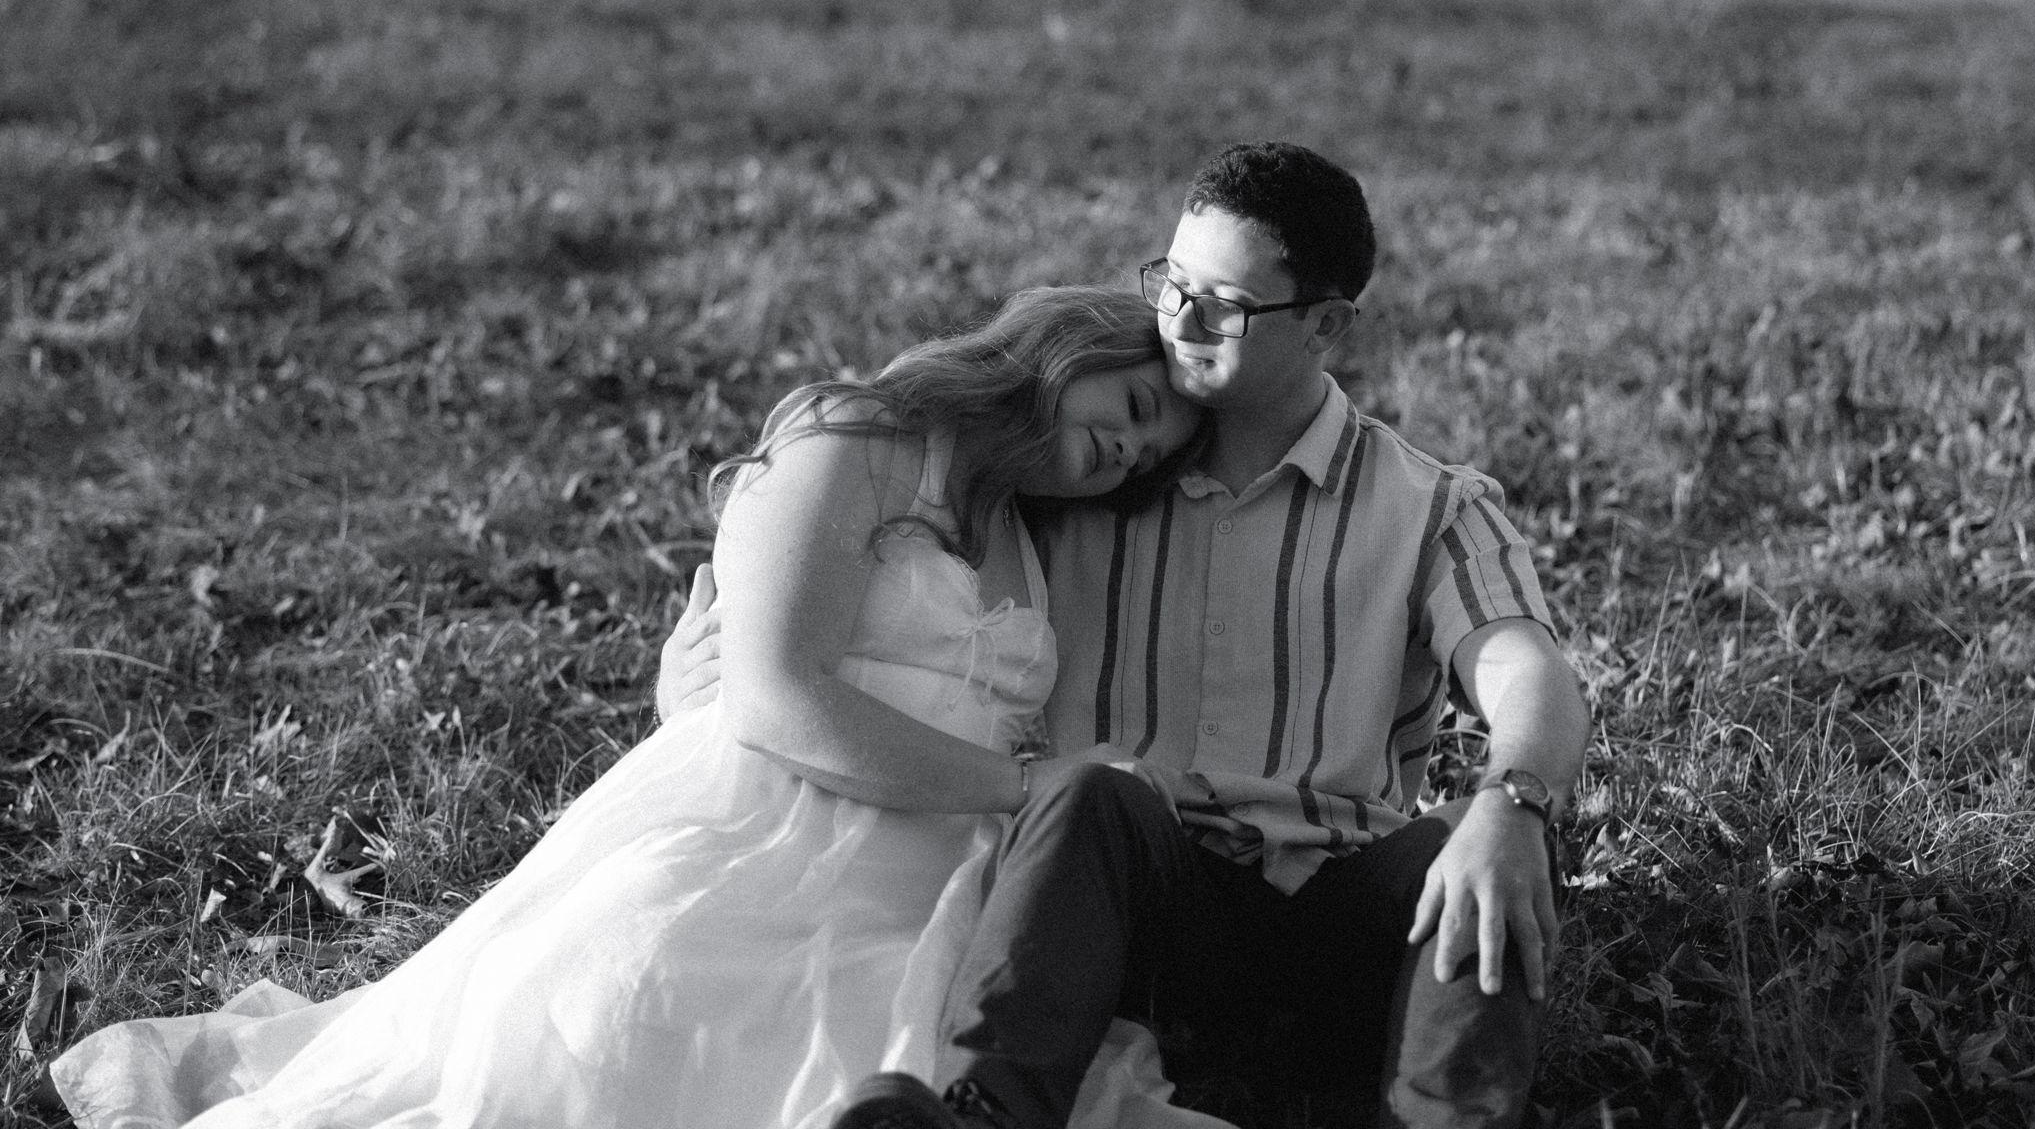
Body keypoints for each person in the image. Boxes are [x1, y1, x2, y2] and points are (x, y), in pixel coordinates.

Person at [50, 287, 1210, 1129]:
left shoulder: (1031, 534)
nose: (1127, 445)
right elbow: (776, 693)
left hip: (929, 870)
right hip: (767, 820)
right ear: (1068, 342)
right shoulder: (857, 439)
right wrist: (1028, 786)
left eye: (1142, 455)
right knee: (634, 1026)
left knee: (914, 1066)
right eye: (1135, 401)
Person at [665, 143, 1590, 1129]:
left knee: (1475, 842)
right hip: (1126, 909)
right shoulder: (1085, 473)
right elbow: (895, 585)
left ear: (1324, 324)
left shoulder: (1430, 505)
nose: (1179, 321)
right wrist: (705, 688)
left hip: (1341, 900)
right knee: (1093, 790)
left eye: (1223, 305)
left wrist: (1514, 802)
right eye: (1172, 283)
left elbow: (1527, 671)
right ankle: (983, 1110)